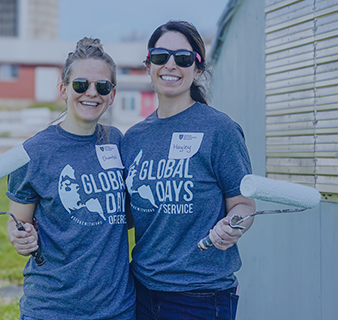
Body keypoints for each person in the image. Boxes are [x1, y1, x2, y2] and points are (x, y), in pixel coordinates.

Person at [120, 20, 256, 320]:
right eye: (160, 56)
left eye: (182, 58)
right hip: (140, 290)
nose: (170, 65)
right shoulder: (133, 139)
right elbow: (126, 215)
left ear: (197, 69)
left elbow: (244, 204)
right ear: (148, 65)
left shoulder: (220, 130)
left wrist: (233, 225)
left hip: (200, 296)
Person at [6, 37, 135, 320]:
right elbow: (18, 222)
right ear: (64, 89)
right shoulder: (34, 152)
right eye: (81, 84)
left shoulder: (117, 142)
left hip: (116, 308)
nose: (92, 93)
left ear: (112, 94)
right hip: (53, 308)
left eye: (102, 86)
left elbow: (128, 214)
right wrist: (20, 238)